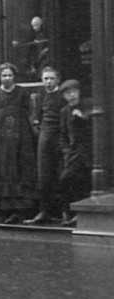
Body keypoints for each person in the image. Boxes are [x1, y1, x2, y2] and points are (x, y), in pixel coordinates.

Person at [0, 63, 38, 224]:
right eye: (4, 76)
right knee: (5, 171)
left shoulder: (23, 93)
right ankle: (9, 211)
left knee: (22, 170)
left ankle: (24, 211)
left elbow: (32, 112)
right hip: (2, 142)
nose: (7, 78)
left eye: (10, 75)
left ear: (14, 77)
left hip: (22, 140)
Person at [24, 67, 66, 225]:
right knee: (43, 176)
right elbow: (38, 117)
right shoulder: (40, 95)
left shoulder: (62, 95)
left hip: (60, 137)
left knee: (62, 175)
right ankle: (44, 212)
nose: (48, 82)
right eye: (45, 79)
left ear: (58, 80)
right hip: (45, 137)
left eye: (51, 79)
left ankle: (65, 212)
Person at [57, 79, 92, 227]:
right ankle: (66, 213)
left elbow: (94, 125)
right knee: (65, 179)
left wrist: (82, 118)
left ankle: (81, 214)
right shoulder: (64, 111)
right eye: (68, 93)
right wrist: (66, 151)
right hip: (73, 153)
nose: (71, 95)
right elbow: (63, 134)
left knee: (85, 182)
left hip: (90, 152)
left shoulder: (88, 104)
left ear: (79, 92)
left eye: (74, 91)